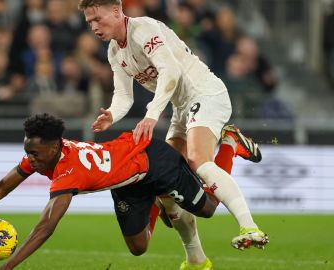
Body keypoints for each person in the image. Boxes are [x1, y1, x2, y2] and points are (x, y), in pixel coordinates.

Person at [0, 114, 268, 270]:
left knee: (209, 207)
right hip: (126, 181)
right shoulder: (43, 156)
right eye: (27, 152)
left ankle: (229, 142)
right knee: (139, 247)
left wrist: (7, 267)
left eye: (35, 154)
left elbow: (46, 226)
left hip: (152, 161)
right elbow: (4, 185)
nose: (30, 159)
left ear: (56, 147)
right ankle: (164, 198)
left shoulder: (69, 170)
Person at [79, 0, 266, 256]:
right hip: (181, 107)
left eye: (97, 19)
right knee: (164, 179)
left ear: (115, 10)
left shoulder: (143, 30)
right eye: (89, 22)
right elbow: (124, 96)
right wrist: (112, 114)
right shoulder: (115, 51)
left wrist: (152, 115)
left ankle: (249, 226)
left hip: (205, 93)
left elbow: (172, 72)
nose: (93, 26)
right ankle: (196, 259)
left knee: (198, 160)